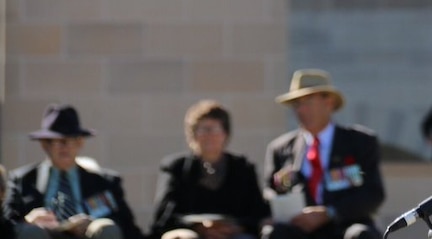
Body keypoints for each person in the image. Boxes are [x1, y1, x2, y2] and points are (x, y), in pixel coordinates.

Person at [262, 69, 385, 239]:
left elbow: (373, 193)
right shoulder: (280, 149)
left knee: (360, 235)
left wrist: (330, 213)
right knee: (273, 234)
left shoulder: (359, 142)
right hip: (299, 230)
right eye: (296, 104)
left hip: (344, 226)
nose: (300, 110)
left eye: (307, 101)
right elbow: (270, 192)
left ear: (329, 102)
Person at [4, 104, 144, 239]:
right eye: (58, 141)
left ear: (80, 142)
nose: (65, 147)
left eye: (71, 140)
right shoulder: (22, 180)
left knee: (106, 227)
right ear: (45, 144)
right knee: (29, 232)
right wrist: (27, 220)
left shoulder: (104, 182)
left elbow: (127, 227)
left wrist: (91, 223)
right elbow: (6, 224)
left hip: (88, 236)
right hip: (42, 234)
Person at [149, 100, 270, 239]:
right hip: (189, 232)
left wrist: (233, 228)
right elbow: (164, 216)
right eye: (203, 129)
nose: (209, 136)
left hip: (233, 233)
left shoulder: (242, 168)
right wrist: (198, 228)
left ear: (225, 133)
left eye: (215, 129)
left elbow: (257, 212)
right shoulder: (176, 168)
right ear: (193, 135)